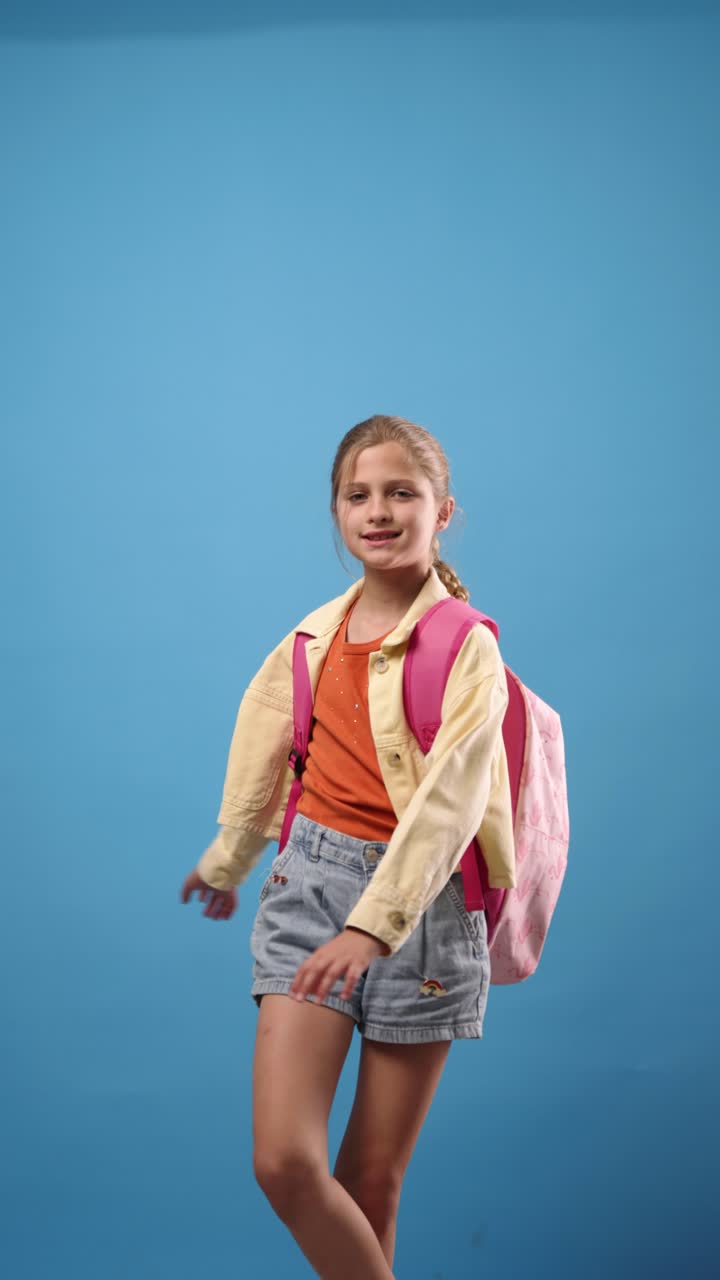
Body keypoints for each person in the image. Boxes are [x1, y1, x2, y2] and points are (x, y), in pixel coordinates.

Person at [180, 414, 516, 1280]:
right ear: (336, 511)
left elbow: (451, 803)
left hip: (421, 911)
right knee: (285, 1163)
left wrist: (374, 927)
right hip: (308, 891)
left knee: (371, 1178)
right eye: (358, 494)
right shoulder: (312, 635)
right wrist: (230, 858)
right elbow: (266, 739)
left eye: (403, 492)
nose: (378, 510)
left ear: (443, 512)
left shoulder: (466, 645)